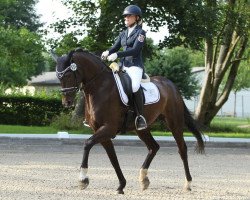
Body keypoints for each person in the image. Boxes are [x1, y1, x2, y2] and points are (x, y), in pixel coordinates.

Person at [101, 5, 147, 130]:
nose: (126, 18)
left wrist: (117, 54)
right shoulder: (123, 33)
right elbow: (115, 47)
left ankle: (140, 116)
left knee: (134, 86)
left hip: (135, 66)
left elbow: (135, 50)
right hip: (122, 65)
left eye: (129, 16)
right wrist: (108, 52)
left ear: (137, 18)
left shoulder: (141, 33)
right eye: (125, 16)